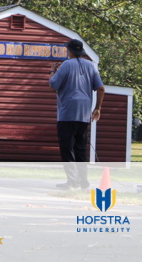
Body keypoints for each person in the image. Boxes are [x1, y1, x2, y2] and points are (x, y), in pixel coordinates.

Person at [49, 38, 105, 190]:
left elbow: (53, 86)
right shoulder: (90, 66)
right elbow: (100, 88)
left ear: (70, 51)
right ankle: (83, 182)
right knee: (81, 148)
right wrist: (97, 108)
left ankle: (72, 182)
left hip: (67, 112)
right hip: (84, 113)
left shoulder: (66, 65)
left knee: (67, 147)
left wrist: (53, 71)